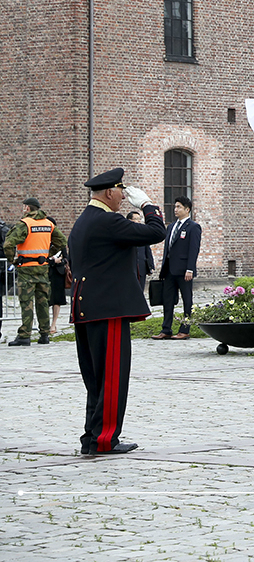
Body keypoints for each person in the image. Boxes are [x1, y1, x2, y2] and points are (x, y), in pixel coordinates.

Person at [68, 168, 166, 455]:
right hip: (107, 310)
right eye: (121, 192)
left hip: (88, 308)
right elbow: (156, 232)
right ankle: (104, 439)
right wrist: (148, 205)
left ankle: (92, 435)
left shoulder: (84, 221)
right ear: (109, 192)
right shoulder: (107, 221)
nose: (124, 197)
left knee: (96, 379)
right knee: (112, 377)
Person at [3, 197, 67, 346]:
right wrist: (48, 254)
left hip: (26, 269)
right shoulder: (48, 224)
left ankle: (25, 335)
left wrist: (12, 259)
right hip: (43, 267)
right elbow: (62, 241)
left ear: (27, 208)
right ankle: (44, 334)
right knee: (43, 301)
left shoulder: (25, 224)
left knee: (26, 302)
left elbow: (8, 243)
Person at [155, 196, 201, 340]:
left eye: (179, 207)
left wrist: (190, 269)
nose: (175, 209)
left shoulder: (193, 227)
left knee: (187, 300)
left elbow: (194, 249)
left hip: (183, 270)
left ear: (187, 209)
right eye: (175, 207)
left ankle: (185, 329)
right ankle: (166, 329)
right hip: (169, 269)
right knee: (167, 299)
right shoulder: (171, 226)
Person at [47, 215, 69, 335]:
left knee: (57, 300)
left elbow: (66, 257)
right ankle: (45, 323)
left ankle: (53, 324)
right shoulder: (41, 239)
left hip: (58, 272)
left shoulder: (59, 240)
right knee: (46, 299)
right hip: (46, 271)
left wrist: (61, 260)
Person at [127, 211, 155, 293]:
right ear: (129, 220)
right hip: (129, 267)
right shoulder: (125, 233)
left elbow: (147, 250)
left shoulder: (143, 233)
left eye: (140, 219)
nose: (139, 221)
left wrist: (150, 266)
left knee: (140, 290)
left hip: (141, 267)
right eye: (136, 219)